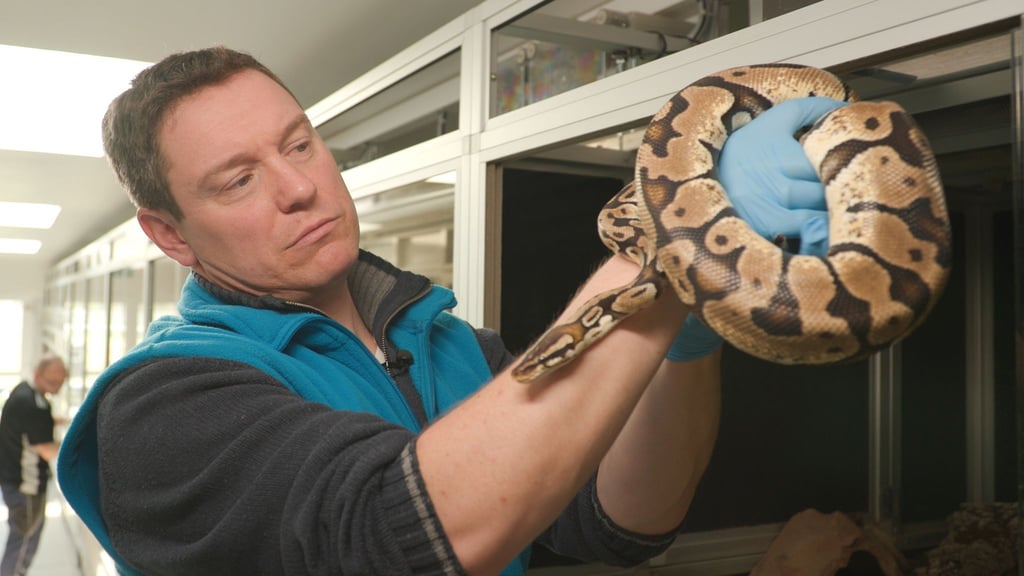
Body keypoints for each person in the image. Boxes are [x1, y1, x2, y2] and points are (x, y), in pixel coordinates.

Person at [56, 46, 842, 576]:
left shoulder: (451, 344)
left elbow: (625, 519)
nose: (299, 186)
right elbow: (401, 529)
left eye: (298, 145)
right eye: (237, 180)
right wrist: (675, 231)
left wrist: (685, 326)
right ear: (169, 235)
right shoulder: (161, 406)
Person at [0, 354, 66, 576]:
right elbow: (46, 450)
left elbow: (35, 426)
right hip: (24, 487)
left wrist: (61, 421)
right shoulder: (31, 404)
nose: (56, 388)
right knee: (22, 544)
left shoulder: (25, 392)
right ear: (38, 374)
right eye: (52, 382)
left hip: (16, 482)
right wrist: (75, 444)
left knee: (24, 542)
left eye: (61, 382)